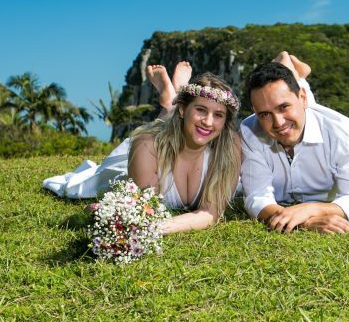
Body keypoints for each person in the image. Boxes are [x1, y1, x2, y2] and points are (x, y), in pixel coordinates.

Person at [43, 63, 241, 234]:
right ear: (183, 109)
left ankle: (171, 101)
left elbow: (209, 213)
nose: (208, 122)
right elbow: (148, 209)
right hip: (143, 157)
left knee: (176, 129)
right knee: (97, 181)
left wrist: (154, 228)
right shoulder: (147, 146)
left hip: (173, 131)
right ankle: (170, 103)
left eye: (218, 115)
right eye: (201, 110)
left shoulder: (229, 147)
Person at [240, 52, 349, 234]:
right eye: (264, 114)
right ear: (255, 112)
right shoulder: (249, 130)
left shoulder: (341, 131)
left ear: (303, 99)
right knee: (290, 114)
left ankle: (294, 72)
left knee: (298, 104)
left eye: (283, 107)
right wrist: (303, 222)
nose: (278, 123)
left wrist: (310, 209)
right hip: (298, 105)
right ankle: (293, 72)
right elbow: (256, 197)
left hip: (312, 110)